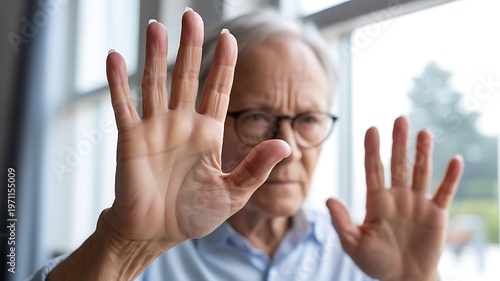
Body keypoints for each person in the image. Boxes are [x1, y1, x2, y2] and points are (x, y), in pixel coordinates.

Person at [30, 8, 463, 281]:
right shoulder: (145, 251)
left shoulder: (367, 256)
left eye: (309, 119)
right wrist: (123, 247)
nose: (287, 146)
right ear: (206, 118)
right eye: (258, 117)